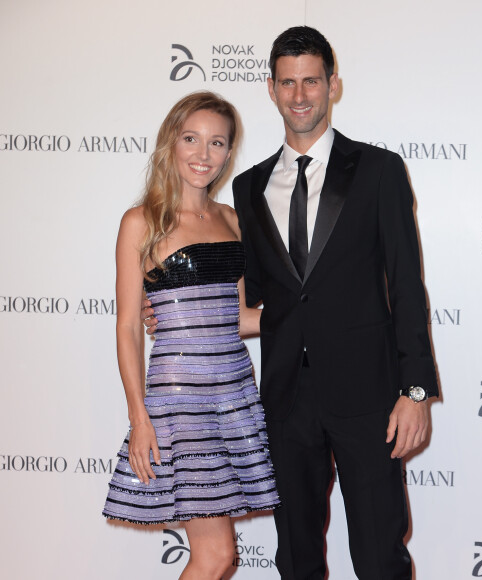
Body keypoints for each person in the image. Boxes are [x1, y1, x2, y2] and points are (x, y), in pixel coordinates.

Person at [145, 27, 438, 580]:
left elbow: (406, 285)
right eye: (288, 82)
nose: (299, 95)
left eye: (311, 81)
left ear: (333, 86)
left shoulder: (378, 172)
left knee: (379, 557)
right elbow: (251, 297)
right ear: (272, 89)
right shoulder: (248, 190)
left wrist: (416, 391)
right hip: (284, 406)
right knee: (296, 560)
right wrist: (172, 307)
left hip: (370, 403)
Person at [103, 91, 280, 580]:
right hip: (182, 403)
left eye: (217, 143)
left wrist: (316, 317)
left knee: (215, 556)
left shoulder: (233, 219)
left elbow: (243, 317)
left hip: (235, 395)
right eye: (191, 139)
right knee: (217, 556)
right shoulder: (142, 222)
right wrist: (140, 417)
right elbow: (127, 327)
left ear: (228, 152)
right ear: (170, 143)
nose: (203, 154)